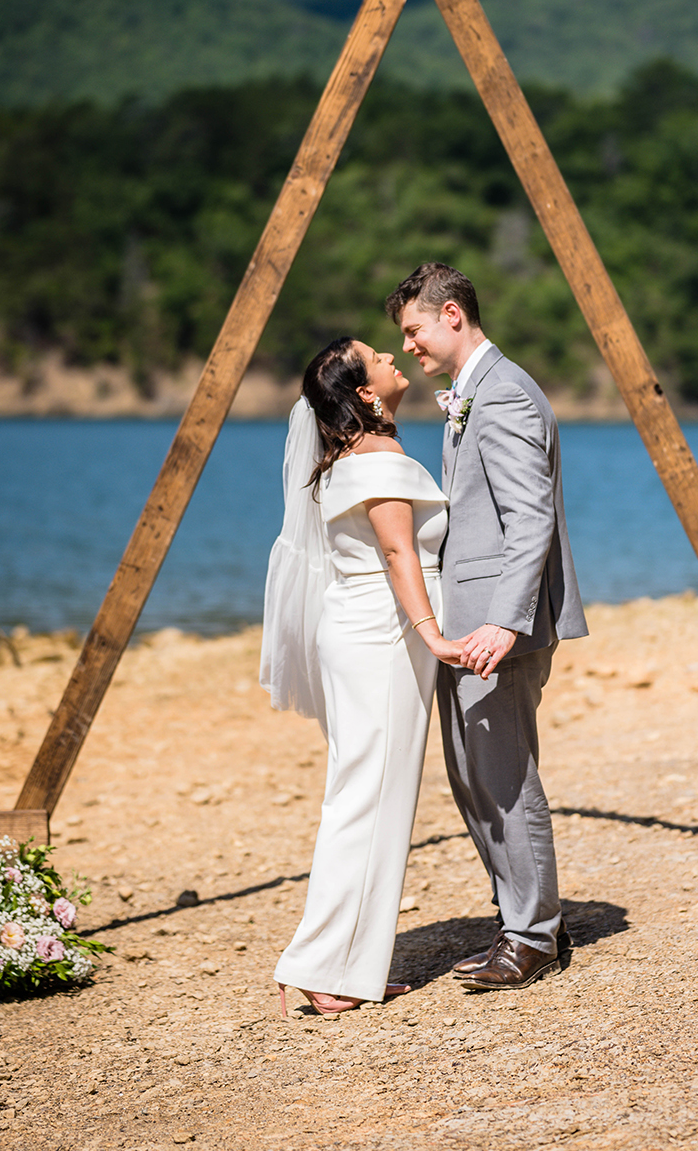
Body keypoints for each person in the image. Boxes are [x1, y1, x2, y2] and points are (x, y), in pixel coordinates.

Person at [386, 263, 588, 992]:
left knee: (502, 774)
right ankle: (522, 922)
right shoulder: (476, 392)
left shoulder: (502, 394)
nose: (408, 345)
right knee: (473, 774)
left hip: (497, 626)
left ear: (450, 315)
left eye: (412, 329)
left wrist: (504, 621)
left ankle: (533, 937)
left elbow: (530, 518)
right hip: (473, 622)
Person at [261, 336, 463, 1016]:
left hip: (362, 629)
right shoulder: (379, 457)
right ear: (367, 395)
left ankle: (351, 966)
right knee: (367, 796)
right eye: (379, 356)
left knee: (373, 796)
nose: (392, 355)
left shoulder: (345, 456)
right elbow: (400, 550)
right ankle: (318, 964)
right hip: (383, 635)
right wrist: (432, 631)